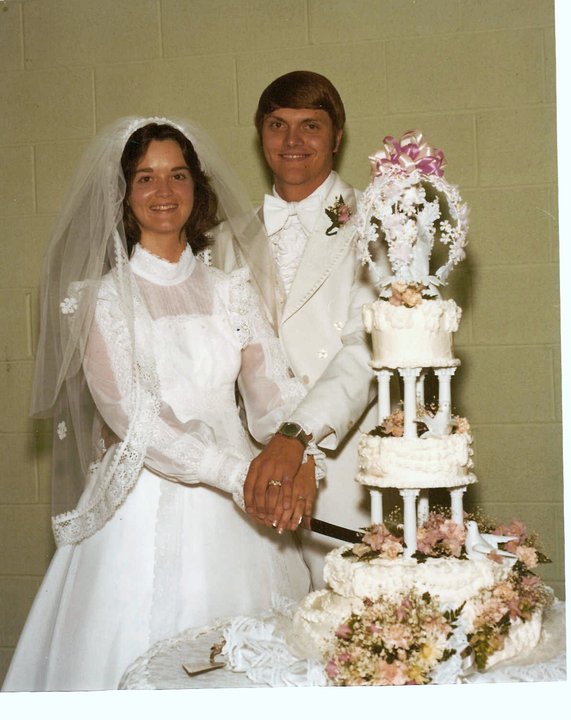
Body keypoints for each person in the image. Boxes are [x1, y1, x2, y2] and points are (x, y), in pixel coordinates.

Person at [2, 117, 313, 692]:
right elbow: (136, 419)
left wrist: (297, 456)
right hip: (150, 494)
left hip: (247, 503)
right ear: (123, 193)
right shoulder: (100, 301)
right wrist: (240, 474)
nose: (163, 192)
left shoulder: (231, 290)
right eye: (145, 178)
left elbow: (271, 394)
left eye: (177, 175)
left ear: (197, 187)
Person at [211, 71, 388, 587]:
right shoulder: (227, 239)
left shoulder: (376, 223)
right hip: (257, 473)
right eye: (277, 125)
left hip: (347, 465)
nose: (293, 142)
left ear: (337, 136)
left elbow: (368, 346)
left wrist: (299, 437)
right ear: (260, 136)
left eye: (311, 125)